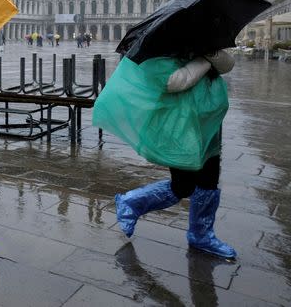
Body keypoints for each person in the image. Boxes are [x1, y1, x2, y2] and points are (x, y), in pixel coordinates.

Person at [97, 51, 237, 259]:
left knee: (209, 180)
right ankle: (132, 202)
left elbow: (227, 64)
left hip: (207, 124)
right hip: (178, 126)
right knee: (183, 185)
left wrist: (211, 53)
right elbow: (173, 82)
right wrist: (204, 60)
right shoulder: (162, 47)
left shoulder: (207, 39)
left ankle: (202, 235)